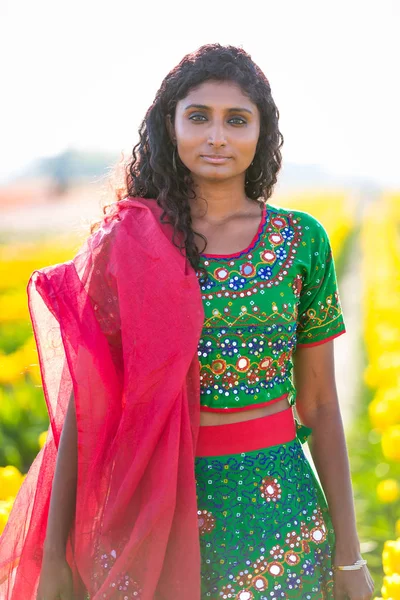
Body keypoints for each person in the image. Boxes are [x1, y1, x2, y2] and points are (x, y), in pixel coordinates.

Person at [0, 43, 375, 600]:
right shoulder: (127, 245)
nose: (217, 136)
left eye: (237, 120)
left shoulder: (302, 242)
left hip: (282, 518)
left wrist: (349, 558)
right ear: (169, 127)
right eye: (198, 117)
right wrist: (54, 558)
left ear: (262, 132)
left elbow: (320, 404)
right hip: (155, 516)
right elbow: (89, 409)